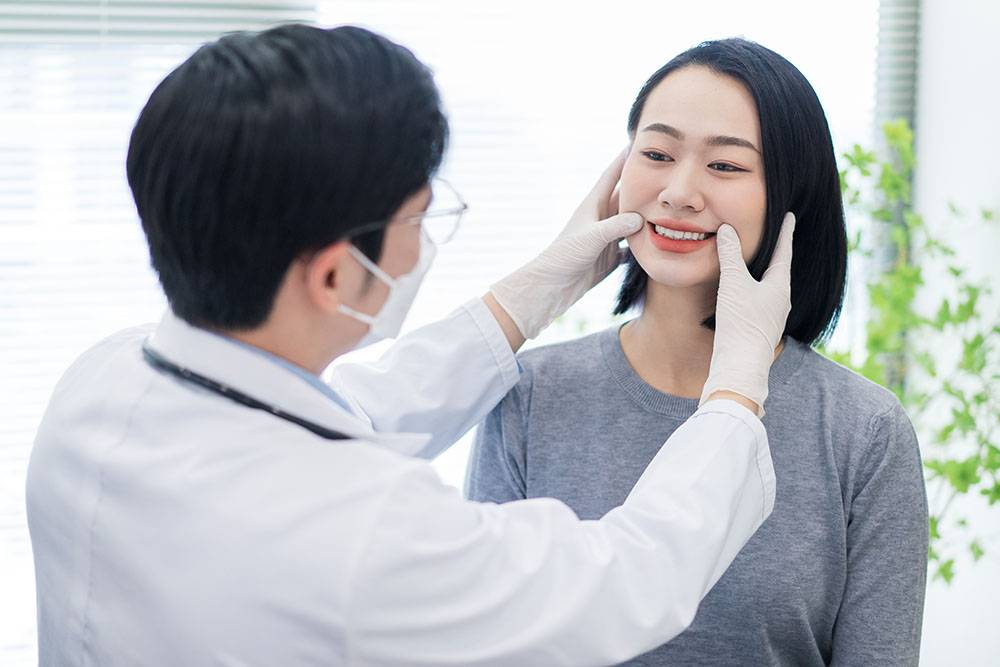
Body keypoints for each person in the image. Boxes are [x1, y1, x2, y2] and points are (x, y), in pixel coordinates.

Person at [26, 25, 794, 666]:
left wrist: (532, 294)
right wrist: (732, 396)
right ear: (335, 271)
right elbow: (628, 579)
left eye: (726, 163)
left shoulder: (101, 383)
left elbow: (336, 416)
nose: (682, 187)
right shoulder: (366, 533)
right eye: (420, 218)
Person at [468, 38, 929, 666]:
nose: (680, 191)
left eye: (726, 166)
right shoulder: (528, 396)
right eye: (656, 153)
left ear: (794, 197)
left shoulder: (863, 432)